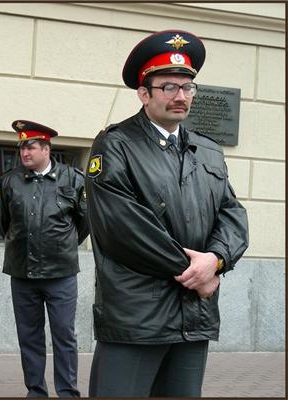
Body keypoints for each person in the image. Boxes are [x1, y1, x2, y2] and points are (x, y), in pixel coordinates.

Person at [85, 30, 249, 397]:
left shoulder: (207, 150)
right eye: (169, 87)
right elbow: (122, 227)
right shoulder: (116, 145)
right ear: (144, 94)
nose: (180, 96)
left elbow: (231, 213)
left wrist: (217, 260)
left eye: (188, 87)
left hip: (194, 317)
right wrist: (196, 272)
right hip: (137, 318)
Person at [0, 120, 89, 398]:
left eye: (31, 147)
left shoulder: (73, 179)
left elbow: (85, 223)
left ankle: (67, 392)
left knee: (64, 337)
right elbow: (4, 224)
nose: (25, 153)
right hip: (22, 274)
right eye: (22, 148)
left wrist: (61, 246)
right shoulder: (10, 180)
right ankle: (36, 391)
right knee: (29, 337)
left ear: (47, 149)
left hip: (60, 274)